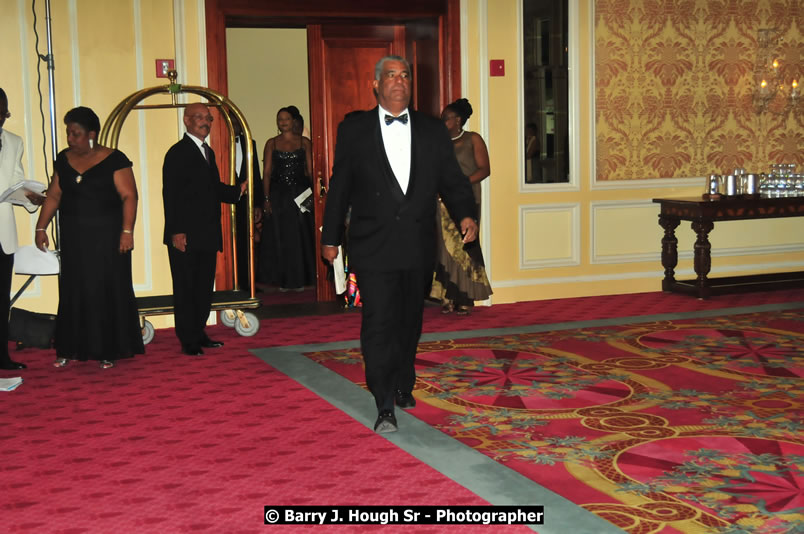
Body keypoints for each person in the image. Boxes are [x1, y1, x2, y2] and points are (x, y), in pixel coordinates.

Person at [321, 56, 478, 433]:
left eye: (404, 75)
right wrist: (329, 238)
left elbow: (452, 180)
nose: (398, 82)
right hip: (371, 244)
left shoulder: (430, 129)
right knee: (379, 320)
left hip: (417, 244)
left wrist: (466, 215)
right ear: (376, 85)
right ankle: (384, 399)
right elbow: (340, 184)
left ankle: (404, 380)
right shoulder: (354, 128)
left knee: (409, 320)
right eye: (390, 76)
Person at [34, 106, 143, 369]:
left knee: (105, 291)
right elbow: (54, 195)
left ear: (92, 134)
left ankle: (108, 349)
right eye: (69, 133)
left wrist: (127, 231)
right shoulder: (63, 159)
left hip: (108, 238)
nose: (71, 138)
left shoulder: (115, 159)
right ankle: (68, 348)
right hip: (74, 238)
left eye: (76, 133)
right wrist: (41, 227)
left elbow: (129, 196)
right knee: (74, 291)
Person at [162, 103, 247, 356]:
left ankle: (199, 333)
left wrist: (237, 191)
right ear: (186, 120)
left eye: (208, 118)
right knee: (186, 288)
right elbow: (171, 195)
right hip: (185, 235)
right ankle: (187, 339)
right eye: (199, 117)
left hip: (207, 233)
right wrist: (176, 231)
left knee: (202, 288)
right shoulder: (177, 153)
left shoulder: (207, 151)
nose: (205, 122)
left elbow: (213, 188)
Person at [431, 98, 492, 316]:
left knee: (465, 246)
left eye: (446, 118)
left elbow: (485, 169)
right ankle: (447, 297)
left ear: (458, 120)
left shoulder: (472, 139)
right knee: (445, 248)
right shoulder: (439, 142)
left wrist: (460, 184)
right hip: (442, 200)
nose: (442, 121)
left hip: (467, 197)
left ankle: (465, 297)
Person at [1, 88, 44, 370]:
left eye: (3, 110)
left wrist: (30, 197)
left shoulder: (14, 141)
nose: (3, 116)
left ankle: (1, 356)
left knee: (1, 298)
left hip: (3, 234)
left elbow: (15, 180)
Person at [260, 106, 315, 292]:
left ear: (294, 122)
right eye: (280, 119)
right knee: (281, 236)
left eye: (286, 119)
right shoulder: (271, 143)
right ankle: (282, 280)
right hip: (279, 195)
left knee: (302, 236)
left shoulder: (305, 142)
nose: (283, 122)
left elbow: (311, 171)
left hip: (301, 194)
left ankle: (303, 279)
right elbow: (266, 173)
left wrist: (315, 195)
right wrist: (266, 199)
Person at [232, 117, 263, 293]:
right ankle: (230, 282)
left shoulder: (250, 143)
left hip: (246, 200)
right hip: (226, 199)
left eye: (237, 123)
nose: (235, 127)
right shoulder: (218, 141)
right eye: (232, 123)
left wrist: (257, 203)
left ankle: (247, 282)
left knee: (246, 241)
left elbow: (255, 174)